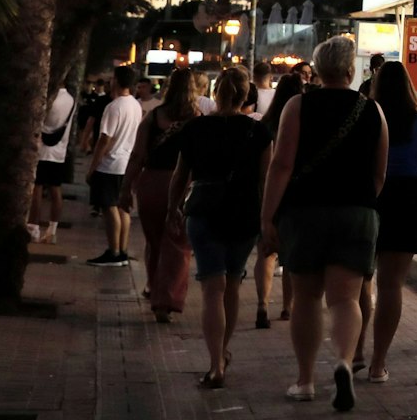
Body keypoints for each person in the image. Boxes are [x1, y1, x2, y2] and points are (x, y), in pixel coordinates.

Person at [260, 35, 388, 410]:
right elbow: (379, 172)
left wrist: (268, 217)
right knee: (346, 299)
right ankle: (344, 362)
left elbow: (281, 165)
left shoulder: (298, 106)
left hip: (305, 211)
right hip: (358, 212)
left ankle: (305, 381)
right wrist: (362, 202)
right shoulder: (372, 110)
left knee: (306, 298)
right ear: (350, 70)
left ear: (317, 69)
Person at [170, 67, 272, 388]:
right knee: (232, 285)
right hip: (244, 213)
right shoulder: (259, 132)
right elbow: (265, 180)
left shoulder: (195, 128)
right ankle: (224, 350)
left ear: (216, 93)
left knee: (212, 289)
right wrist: (269, 219)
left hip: (204, 211)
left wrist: (173, 208)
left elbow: (181, 174)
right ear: (246, 96)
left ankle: (215, 365)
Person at [355, 61, 417, 381]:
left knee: (360, 280)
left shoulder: (367, 116)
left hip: (371, 197)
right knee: (391, 285)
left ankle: (356, 349)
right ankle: (378, 363)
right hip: (409, 200)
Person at [125, 67, 198, 322]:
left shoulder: (154, 116)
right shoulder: (198, 121)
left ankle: (154, 287)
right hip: (183, 185)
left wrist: (125, 188)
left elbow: (137, 155)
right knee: (178, 245)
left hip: (152, 183)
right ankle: (165, 300)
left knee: (155, 241)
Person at [250, 73, 304, 327]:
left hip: (266, 192)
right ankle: (287, 307)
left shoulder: (265, 124)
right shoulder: (302, 120)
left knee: (266, 251)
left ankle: (262, 304)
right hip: (294, 193)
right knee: (290, 254)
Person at [85, 66, 142, 267]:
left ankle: (114, 251)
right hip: (126, 163)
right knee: (122, 208)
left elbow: (105, 139)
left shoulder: (114, 107)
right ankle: (122, 250)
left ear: (116, 81)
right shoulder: (135, 105)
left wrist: (93, 166)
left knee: (109, 208)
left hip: (110, 164)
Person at [29, 74, 77, 245]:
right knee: (56, 190)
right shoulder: (71, 99)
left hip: (42, 149)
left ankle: (33, 228)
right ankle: (52, 230)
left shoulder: (48, 98)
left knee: (37, 189)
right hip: (59, 151)